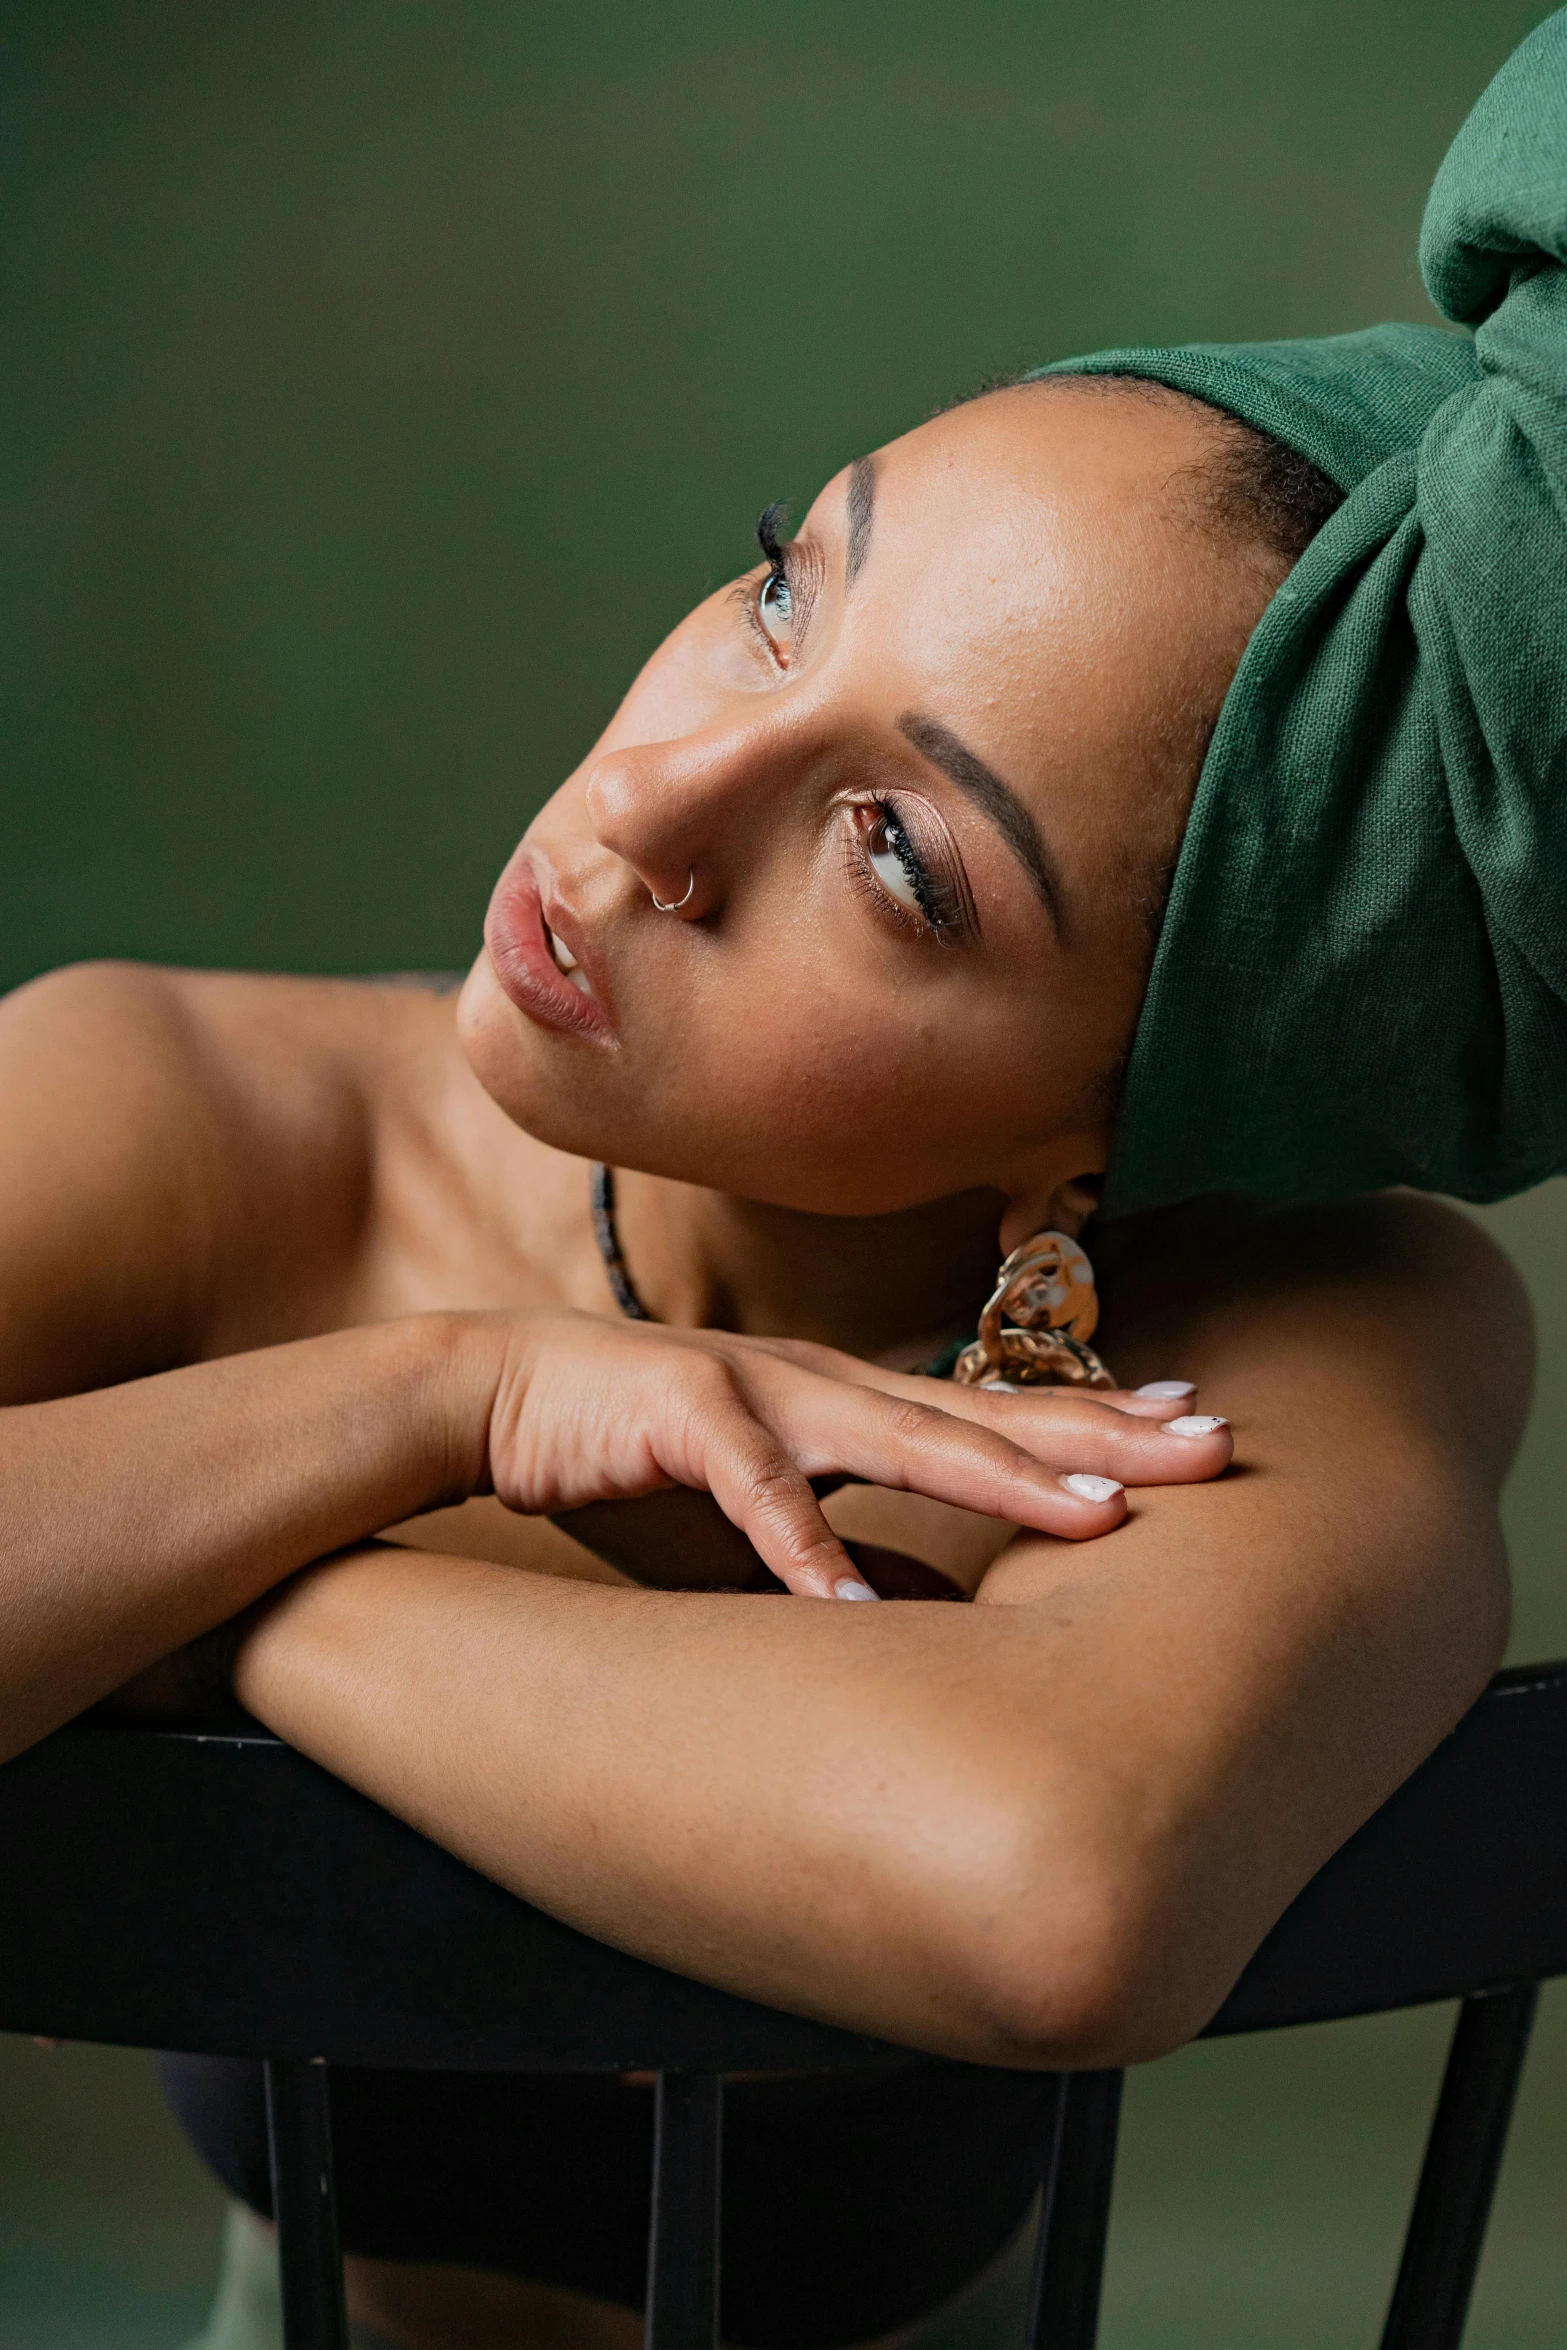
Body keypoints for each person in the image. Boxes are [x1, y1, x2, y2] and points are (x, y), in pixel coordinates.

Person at [5, 14, 1566, 2349]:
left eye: (898, 858)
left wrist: (192, 1595)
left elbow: (1056, 1890)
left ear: (1108, 1131)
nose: (646, 806)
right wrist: (441, 1405)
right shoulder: (185, 1112)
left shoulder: (1277, 1344)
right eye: (777, 590)